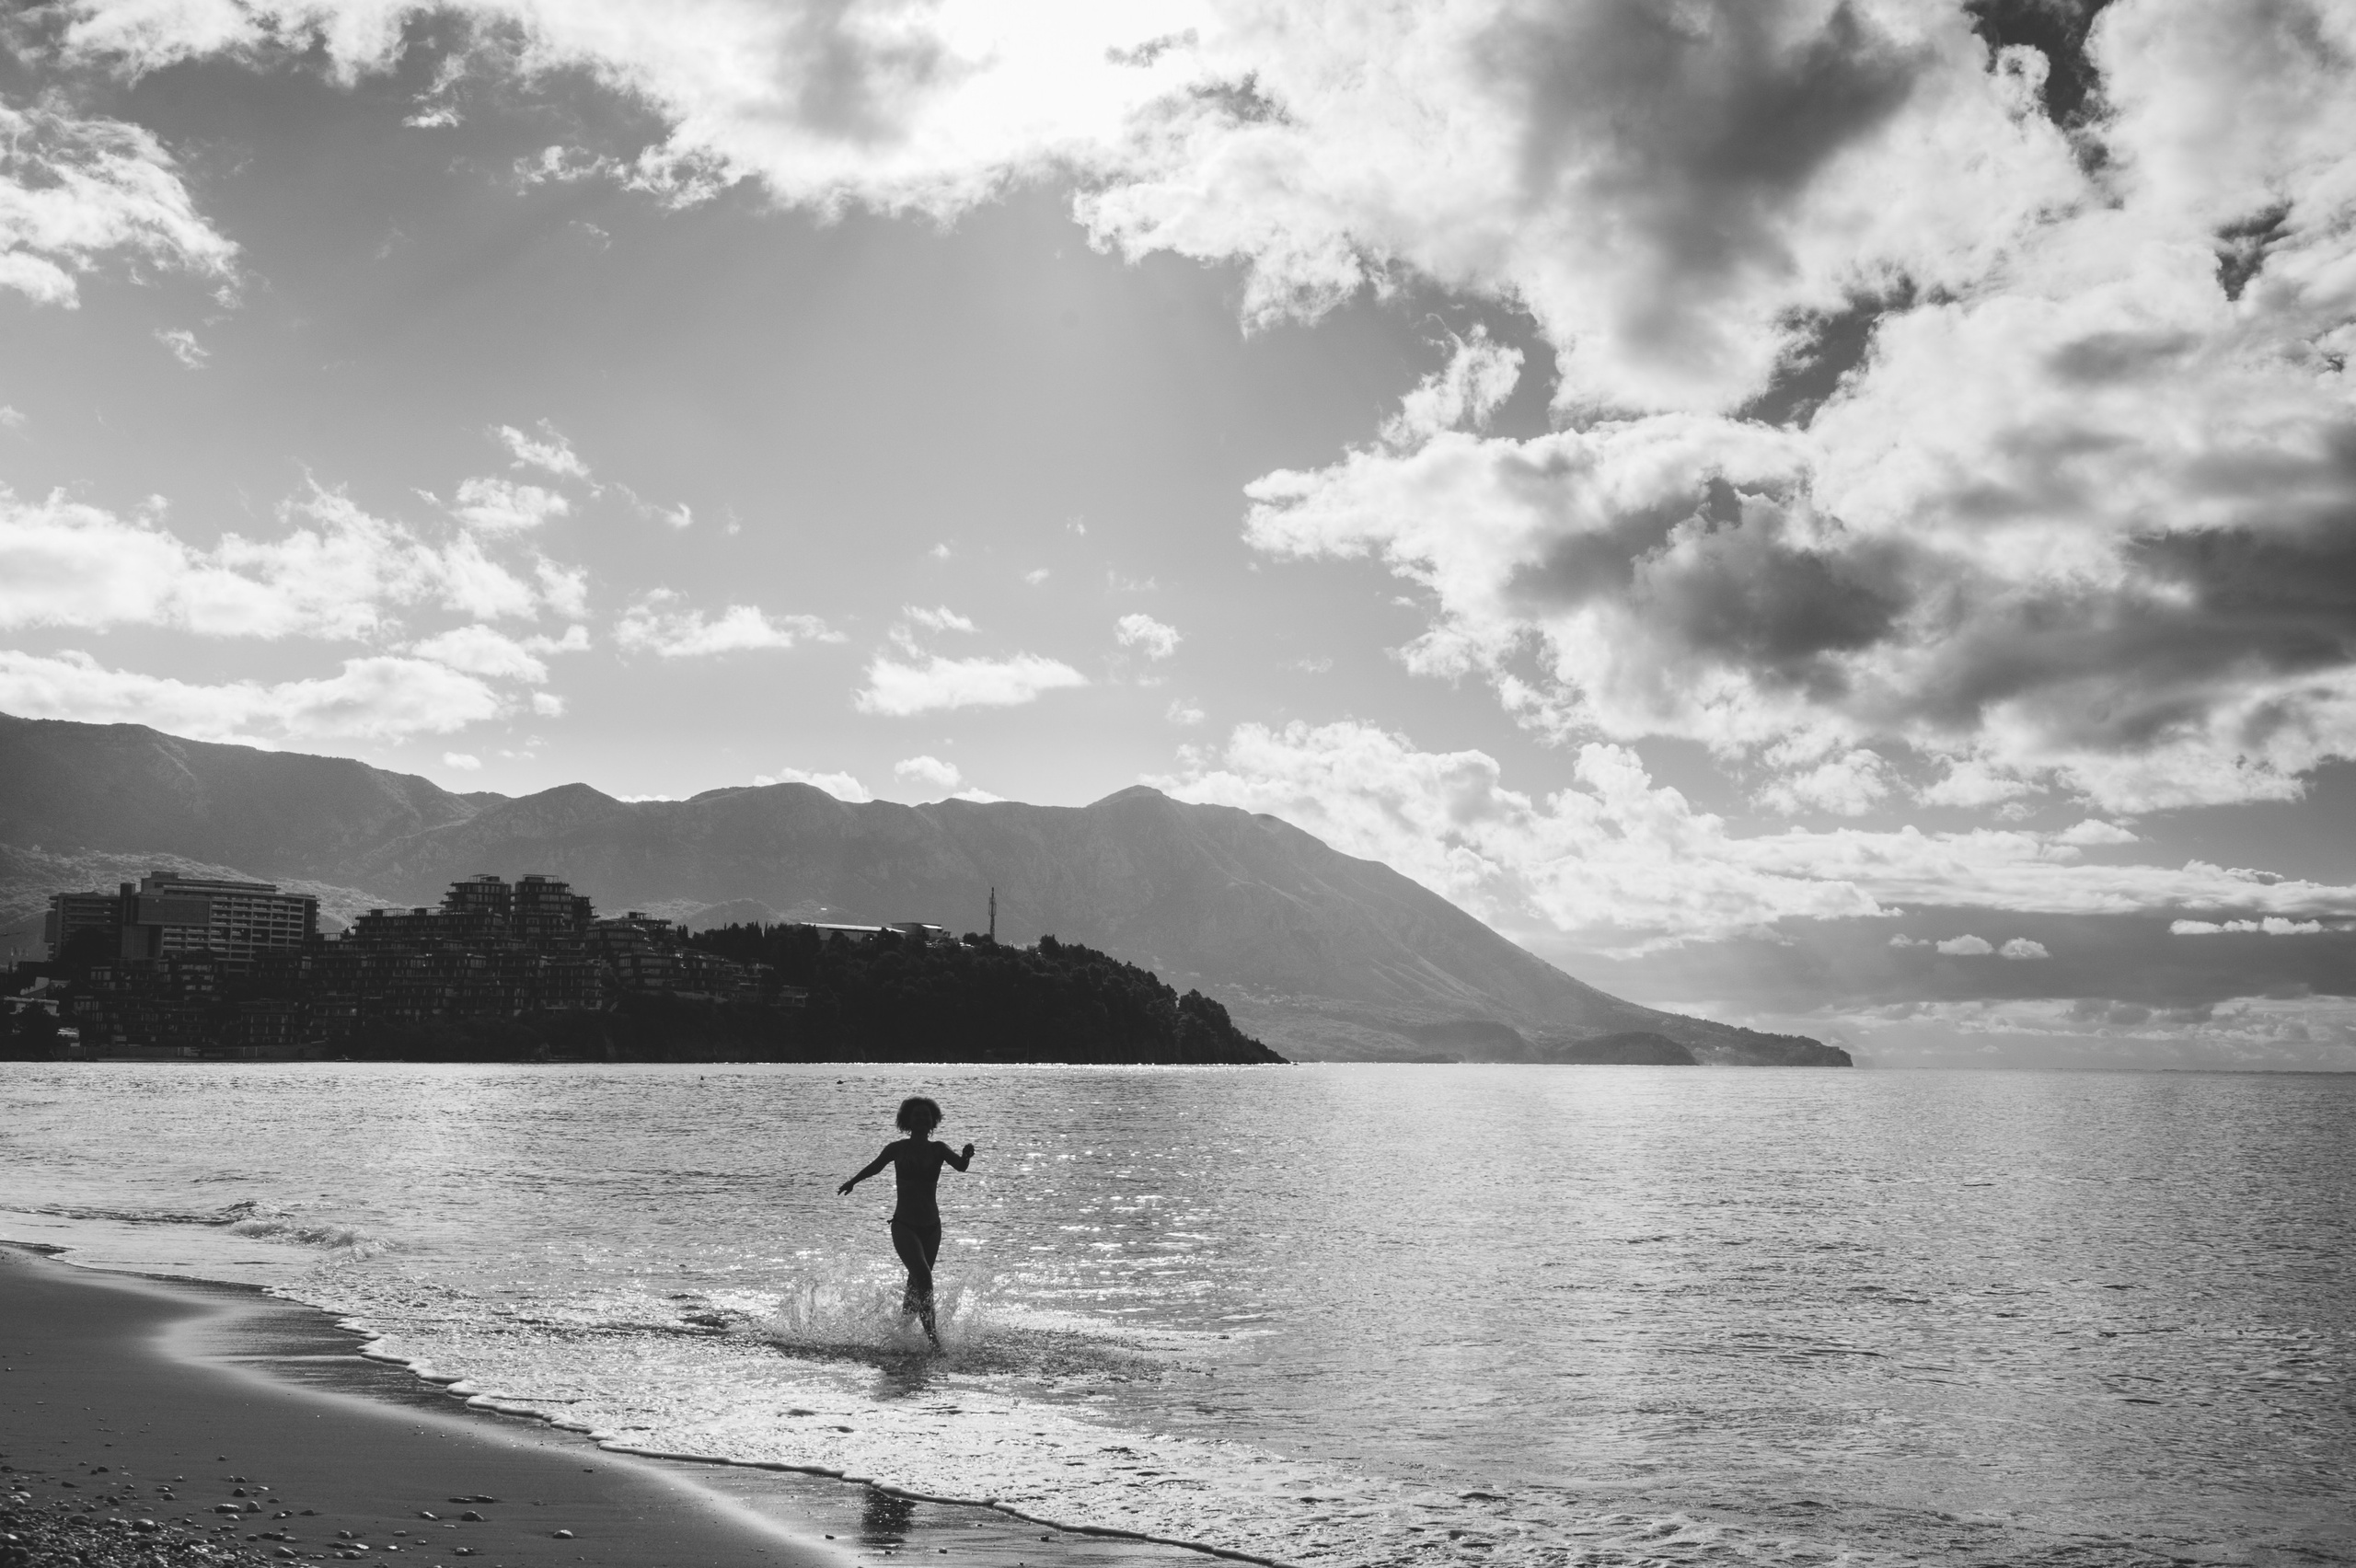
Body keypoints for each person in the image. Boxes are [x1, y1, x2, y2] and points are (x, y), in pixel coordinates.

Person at [837, 1096, 975, 1349]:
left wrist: (966, 1155)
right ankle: (934, 1342)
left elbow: (961, 1167)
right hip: (904, 1226)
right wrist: (853, 1181)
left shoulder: (939, 1149)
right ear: (907, 1121)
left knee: (916, 1284)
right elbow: (875, 1167)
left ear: (933, 1120)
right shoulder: (897, 1149)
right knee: (924, 1277)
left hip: (932, 1228)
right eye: (916, 1115)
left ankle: (900, 1337)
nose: (921, 1118)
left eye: (926, 1115)